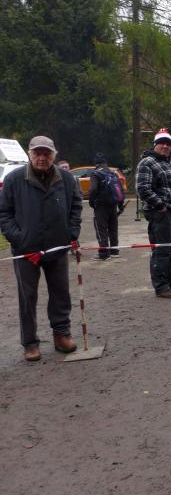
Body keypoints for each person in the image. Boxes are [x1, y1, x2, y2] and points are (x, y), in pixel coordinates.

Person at [0, 136, 81, 361]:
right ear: (30, 154)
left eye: (47, 154)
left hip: (58, 246)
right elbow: (4, 213)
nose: (42, 158)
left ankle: (61, 334)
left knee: (61, 293)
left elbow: (76, 206)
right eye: (38, 153)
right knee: (27, 297)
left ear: (53, 155)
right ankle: (30, 343)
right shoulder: (14, 179)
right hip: (26, 251)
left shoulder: (66, 178)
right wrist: (18, 238)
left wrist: (71, 233)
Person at [136, 128, 171, 298]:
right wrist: (160, 205)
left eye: (168, 144)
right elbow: (143, 188)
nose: (165, 146)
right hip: (161, 214)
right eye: (162, 143)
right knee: (162, 251)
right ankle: (161, 286)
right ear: (155, 145)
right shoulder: (147, 163)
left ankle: (170, 281)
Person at [88, 153, 123, 261]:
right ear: (105, 162)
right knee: (113, 229)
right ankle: (114, 251)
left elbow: (93, 189)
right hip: (113, 205)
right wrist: (120, 205)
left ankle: (103, 253)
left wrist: (91, 202)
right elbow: (119, 189)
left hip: (101, 206)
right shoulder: (113, 173)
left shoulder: (95, 174)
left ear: (96, 163)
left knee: (101, 229)